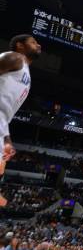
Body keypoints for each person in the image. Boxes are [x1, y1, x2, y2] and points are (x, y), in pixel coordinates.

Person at [0, 35, 41, 206]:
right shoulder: (14, 58)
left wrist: (7, 139)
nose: (38, 44)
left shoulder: (25, 71)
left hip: (2, 121)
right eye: (33, 42)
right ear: (20, 45)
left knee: (2, 162)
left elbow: (5, 109)